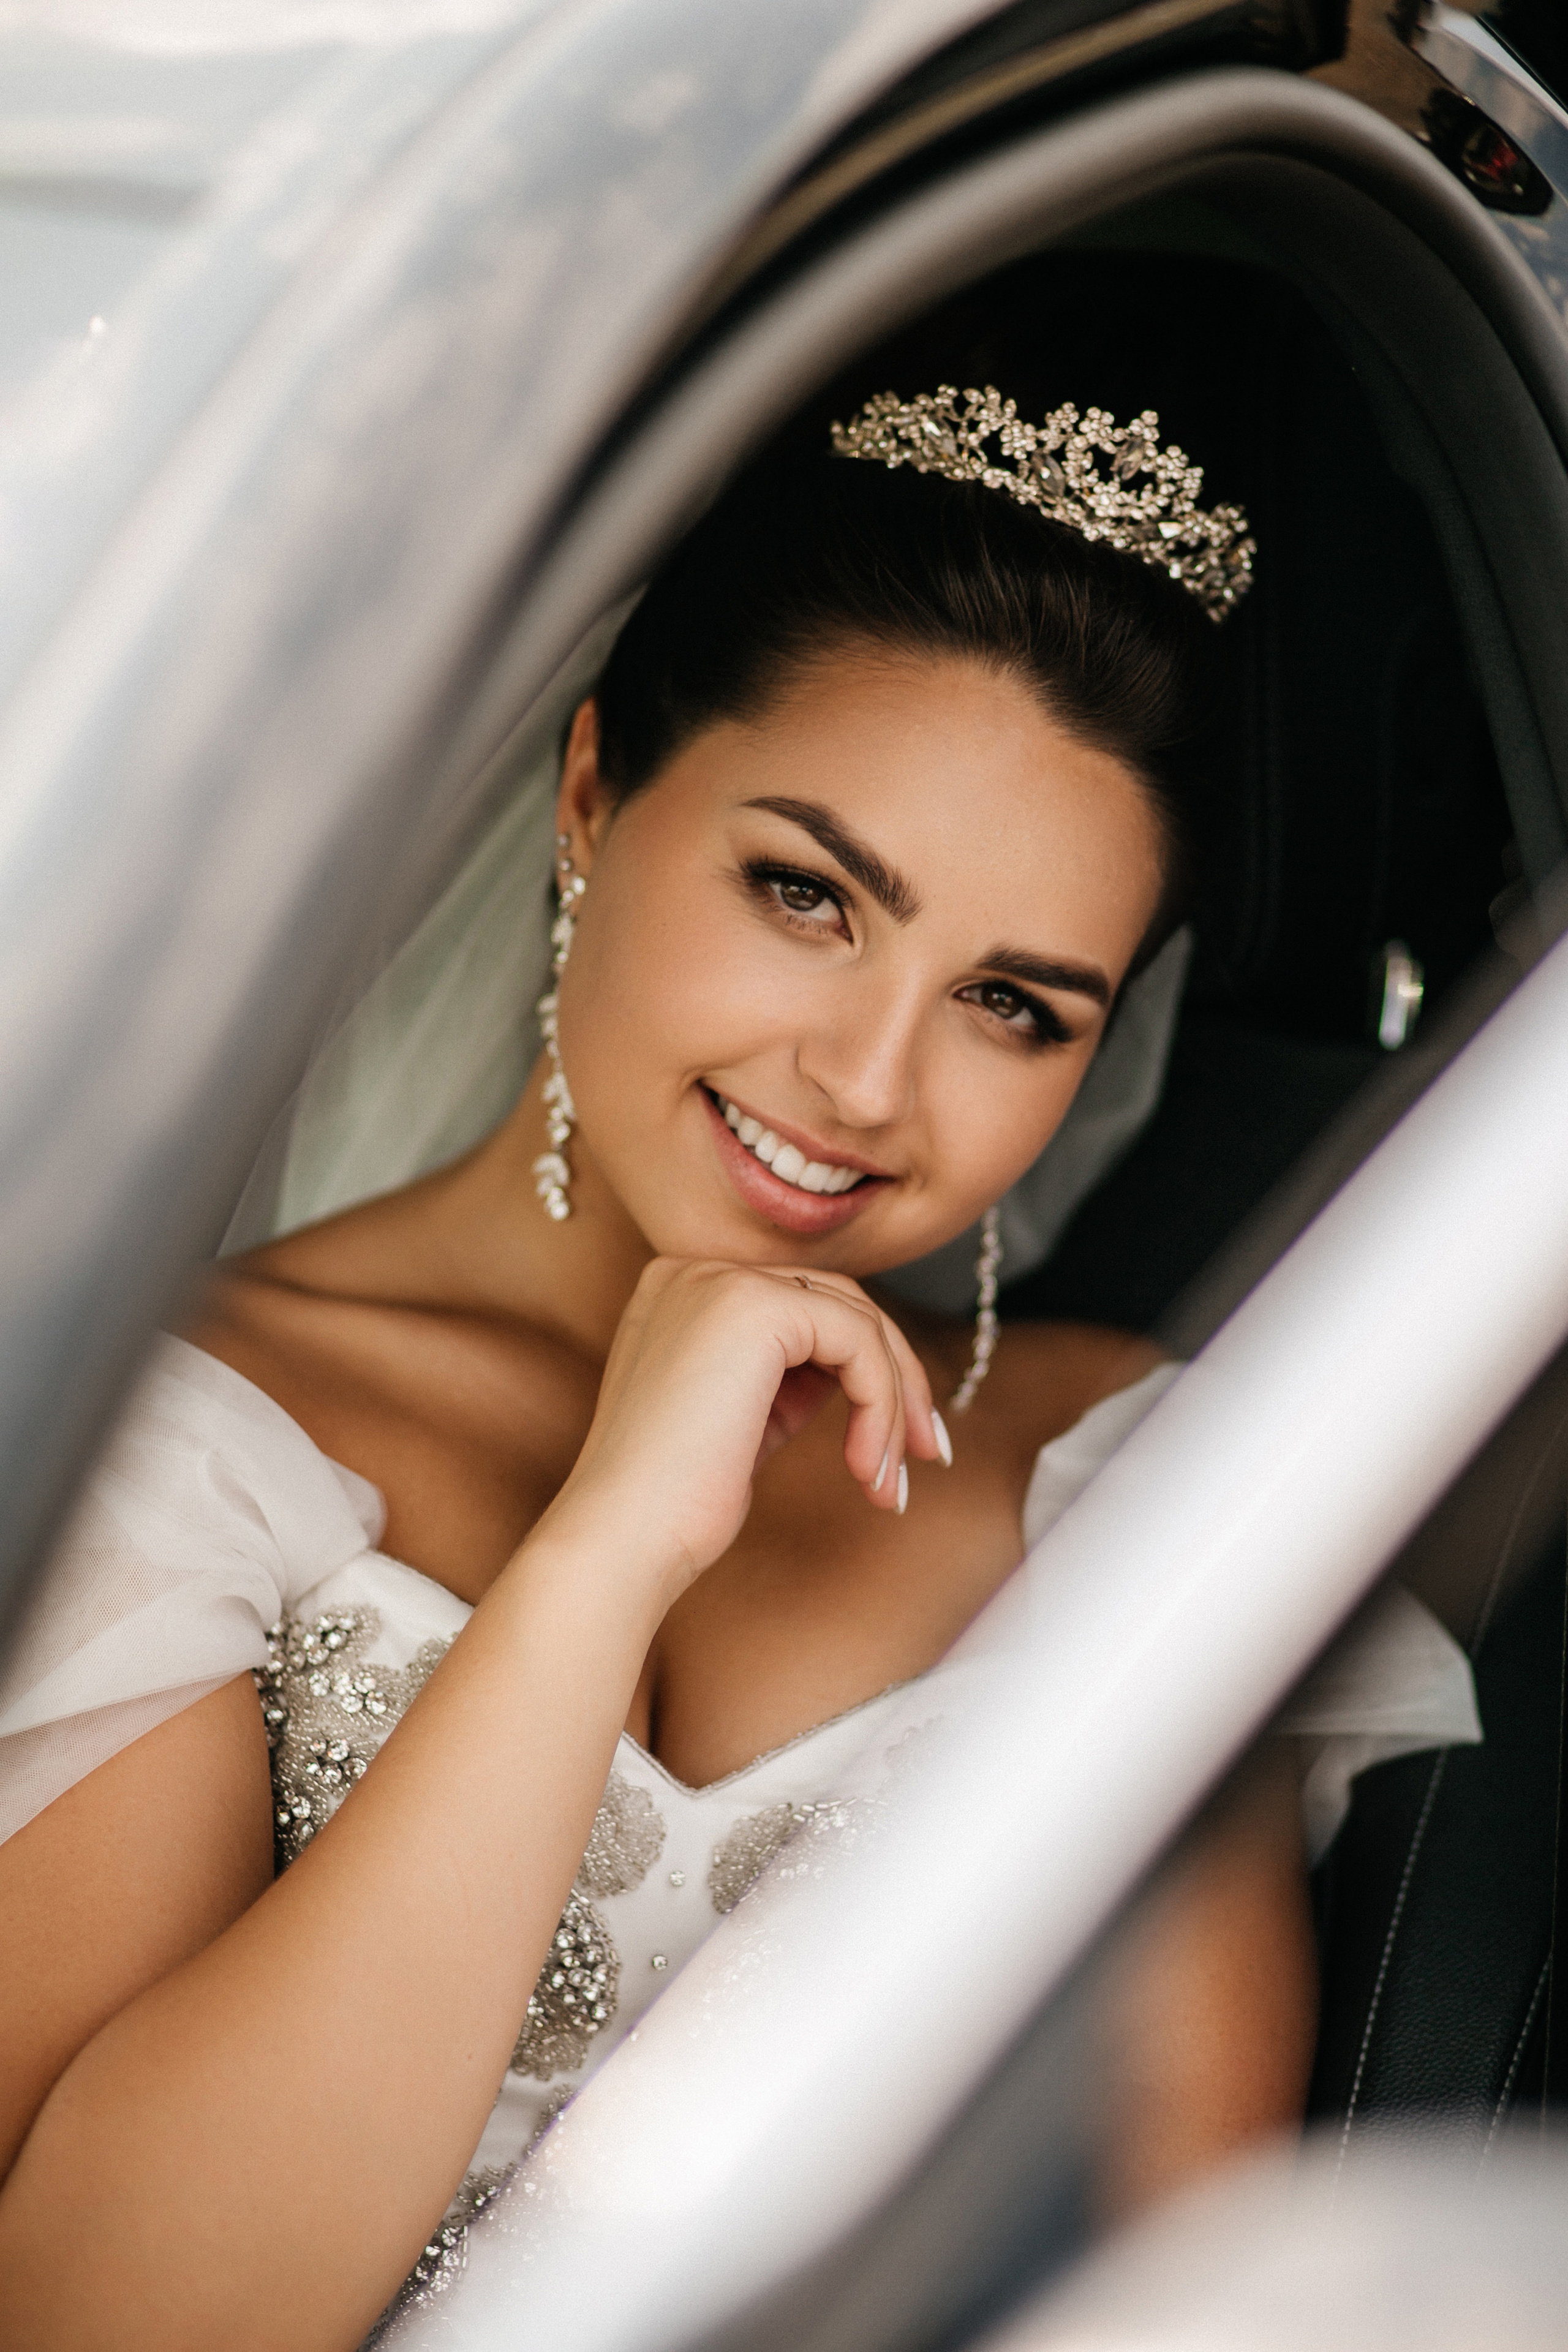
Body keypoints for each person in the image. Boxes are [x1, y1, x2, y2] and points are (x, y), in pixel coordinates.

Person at [0, 387, 1477, 2351]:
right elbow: (115, 2323)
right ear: (596, 797)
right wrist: (604, 1552)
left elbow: (1176, 2291)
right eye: (807, 895)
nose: (867, 1085)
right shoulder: (168, 1440)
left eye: (1012, 1007)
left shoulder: (1138, 1490)